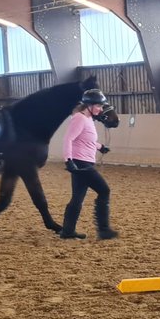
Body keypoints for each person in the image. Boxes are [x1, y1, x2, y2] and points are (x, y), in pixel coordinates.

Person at [60, 88, 118, 240]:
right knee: (104, 191)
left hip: (83, 162)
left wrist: (100, 147)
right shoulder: (79, 118)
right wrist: (68, 160)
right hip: (81, 163)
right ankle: (104, 229)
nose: (100, 109)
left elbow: (86, 140)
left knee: (77, 198)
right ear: (89, 106)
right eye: (98, 106)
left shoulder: (88, 120)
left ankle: (67, 231)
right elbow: (68, 139)